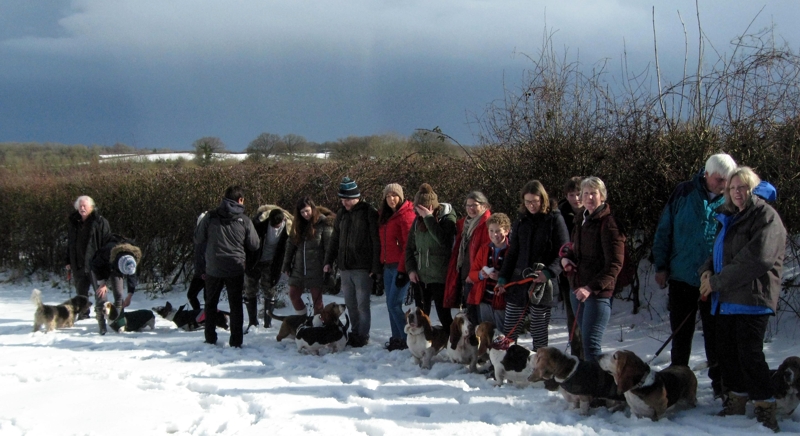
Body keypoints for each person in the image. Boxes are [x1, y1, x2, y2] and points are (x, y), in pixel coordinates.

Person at [699, 167, 786, 432]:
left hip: (752, 297)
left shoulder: (765, 216)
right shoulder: (728, 216)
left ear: (753, 189)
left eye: (743, 187)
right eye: (733, 188)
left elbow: (757, 259)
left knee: (750, 356)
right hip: (726, 299)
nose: (737, 193)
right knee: (728, 355)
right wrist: (706, 271)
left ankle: (765, 407)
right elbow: (720, 252)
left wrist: (716, 282)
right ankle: (736, 402)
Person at [652, 153, 736, 396]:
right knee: (681, 335)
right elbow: (664, 229)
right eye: (719, 180)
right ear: (706, 174)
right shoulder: (684, 192)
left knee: (716, 337)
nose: (723, 185)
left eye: (727, 181)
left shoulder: (732, 198)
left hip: (714, 280)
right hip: (682, 275)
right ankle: (677, 386)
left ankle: (721, 387)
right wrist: (661, 265)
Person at [496, 180, 569, 350]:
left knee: (539, 329)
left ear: (542, 199)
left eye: (535, 201)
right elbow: (512, 252)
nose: (531, 205)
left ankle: (541, 368)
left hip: (543, 284)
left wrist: (550, 272)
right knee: (510, 328)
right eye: (528, 201)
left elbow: (564, 250)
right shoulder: (521, 220)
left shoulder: (555, 219)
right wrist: (503, 278)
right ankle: (506, 365)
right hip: (518, 281)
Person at [562, 177, 624, 363]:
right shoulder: (582, 219)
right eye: (586, 193)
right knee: (583, 343)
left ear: (602, 196)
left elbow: (615, 264)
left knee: (591, 345)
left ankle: (598, 387)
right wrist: (567, 258)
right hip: (577, 289)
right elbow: (577, 251)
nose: (589, 197)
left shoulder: (609, 223)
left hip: (597, 293)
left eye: (593, 193)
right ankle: (589, 385)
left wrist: (590, 288)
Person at [195, 186, 260, 348]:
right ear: (240, 200)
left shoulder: (210, 217)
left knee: (210, 303)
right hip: (235, 268)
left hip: (213, 268)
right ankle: (236, 341)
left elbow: (198, 238)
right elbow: (254, 244)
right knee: (236, 304)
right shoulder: (244, 220)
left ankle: (210, 338)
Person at [324, 177, 381, 348]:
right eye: (342, 199)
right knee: (350, 303)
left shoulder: (368, 212)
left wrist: (375, 266)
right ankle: (354, 331)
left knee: (363, 304)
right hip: (345, 267)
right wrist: (328, 261)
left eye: (347, 199)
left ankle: (363, 335)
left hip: (363, 267)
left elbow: (375, 240)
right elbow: (335, 239)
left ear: (356, 197)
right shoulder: (341, 214)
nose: (344, 202)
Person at [405, 183, 457, 331]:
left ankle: (451, 345)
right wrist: (411, 270)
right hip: (420, 276)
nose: (419, 211)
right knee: (421, 315)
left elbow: (443, 241)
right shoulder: (417, 222)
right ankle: (422, 346)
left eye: (423, 208)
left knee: (443, 315)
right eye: (417, 208)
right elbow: (409, 248)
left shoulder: (447, 219)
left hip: (439, 275)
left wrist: (428, 218)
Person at [444, 191, 491, 326]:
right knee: (469, 315)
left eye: (474, 205)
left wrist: (475, 274)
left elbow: (486, 253)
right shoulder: (464, 225)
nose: (471, 209)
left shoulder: (487, 224)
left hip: (479, 278)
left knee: (478, 317)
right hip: (465, 276)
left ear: (484, 206)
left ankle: (480, 344)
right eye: (468, 205)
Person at [378, 183, 416, 351]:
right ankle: (397, 339)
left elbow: (409, 246)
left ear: (400, 197)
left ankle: (408, 339)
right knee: (390, 304)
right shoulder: (386, 217)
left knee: (394, 303)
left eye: (394, 195)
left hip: (401, 267)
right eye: (388, 196)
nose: (391, 199)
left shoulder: (406, 215)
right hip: (388, 265)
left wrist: (403, 270)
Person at [283, 197, 335, 317]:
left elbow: (329, 247)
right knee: (293, 295)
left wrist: (329, 265)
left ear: (312, 208)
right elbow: (290, 246)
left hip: (316, 267)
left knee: (317, 301)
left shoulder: (323, 223)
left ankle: (318, 325)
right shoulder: (297, 225)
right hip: (299, 267)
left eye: (307, 211)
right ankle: (302, 319)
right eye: (302, 212)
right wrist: (286, 264)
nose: (305, 214)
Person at [65, 195, 111, 320]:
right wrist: (68, 261)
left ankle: (101, 315)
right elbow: (70, 243)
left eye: (85, 206)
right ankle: (83, 314)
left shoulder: (100, 222)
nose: (82, 208)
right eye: (80, 206)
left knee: (100, 292)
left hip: (95, 265)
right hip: (78, 264)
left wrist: (105, 265)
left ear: (91, 207)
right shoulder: (74, 222)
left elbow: (107, 245)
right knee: (81, 292)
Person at [245, 205, 291, 330]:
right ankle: (252, 322)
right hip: (255, 261)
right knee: (250, 290)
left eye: (277, 225)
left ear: (283, 221)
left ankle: (267, 322)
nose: (275, 227)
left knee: (270, 291)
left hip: (272, 263)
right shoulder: (259, 225)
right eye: (272, 225)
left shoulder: (288, 230)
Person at [467, 213, 511, 328]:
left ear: (506, 231)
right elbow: (472, 273)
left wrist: (501, 277)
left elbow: (517, 275)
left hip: (503, 299)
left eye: (498, 231)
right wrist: (480, 275)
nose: (494, 234)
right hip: (484, 297)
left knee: (502, 332)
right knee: (486, 331)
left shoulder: (512, 250)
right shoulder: (484, 248)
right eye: (491, 231)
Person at [90, 234, 141, 335]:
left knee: (119, 295)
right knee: (102, 297)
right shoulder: (107, 251)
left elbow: (132, 276)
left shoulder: (133, 259)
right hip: (99, 268)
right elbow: (95, 265)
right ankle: (102, 327)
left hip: (116, 267)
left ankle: (117, 323)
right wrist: (102, 283)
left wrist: (130, 295)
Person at [557, 176, 584, 359]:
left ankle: (588, 356)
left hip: (589, 273)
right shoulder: (559, 215)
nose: (575, 198)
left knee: (588, 319)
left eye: (578, 194)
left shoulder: (592, 213)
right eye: (571, 195)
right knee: (572, 317)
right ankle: (576, 355)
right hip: (567, 274)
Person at [187, 211, 208, 312]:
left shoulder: (211, 238)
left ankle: (209, 318)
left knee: (208, 298)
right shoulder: (198, 239)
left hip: (208, 273)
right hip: (199, 273)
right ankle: (198, 314)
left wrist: (205, 271)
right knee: (191, 295)